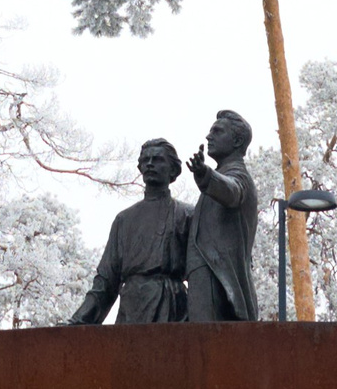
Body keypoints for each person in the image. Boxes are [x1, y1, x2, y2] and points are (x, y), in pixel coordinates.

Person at [67, 139, 191, 324]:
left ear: (173, 170)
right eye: (145, 160)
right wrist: (81, 318)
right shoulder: (124, 219)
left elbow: (202, 274)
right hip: (132, 307)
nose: (150, 164)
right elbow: (107, 278)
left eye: (157, 159)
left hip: (173, 308)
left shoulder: (187, 214)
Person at [184, 110, 262, 323]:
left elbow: (232, 192)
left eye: (217, 131)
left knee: (208, 339)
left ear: (237, 141)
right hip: (204, 274)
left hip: (216, 275)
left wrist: (205, 174)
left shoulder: (239, 176)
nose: (209, 136)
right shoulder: (221, 176)